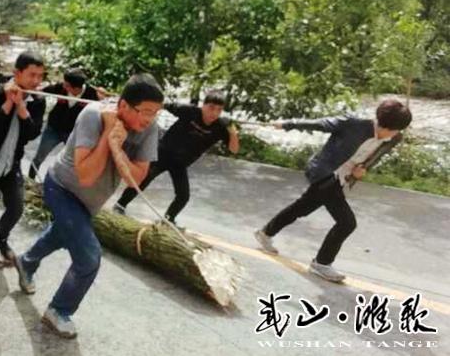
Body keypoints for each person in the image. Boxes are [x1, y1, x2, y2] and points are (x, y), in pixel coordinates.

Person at [14, 74, 163, 339]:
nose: (150, 119)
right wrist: (108, 134)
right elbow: (86, 176)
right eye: (146, 111)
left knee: (61, 234)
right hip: (62, 189)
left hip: (90, 202)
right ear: (124, 105)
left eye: (156, 113)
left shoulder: (149, 129)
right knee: (89, 257)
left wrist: (118, 146)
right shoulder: (93, 115)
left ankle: (26, 262)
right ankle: (58, 310)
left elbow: (135, 181)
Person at [254, 99, 412, 283]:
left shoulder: (394, 138)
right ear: (385, 125)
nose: (395, 134)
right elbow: (321, 124)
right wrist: (288, 124)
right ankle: (322, 263)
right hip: (325, 172)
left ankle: (265, 233)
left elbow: (376, 156)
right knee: (347, 223)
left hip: (343, 177)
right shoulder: (353, 124)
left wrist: (363, 169)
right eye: (394, 130)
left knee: (302, 207)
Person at [114, 90, 240, 227]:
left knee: (183, 196)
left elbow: (234, 149)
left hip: (181, 163)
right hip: (163, 154)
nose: (214, 113)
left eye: (219, 110)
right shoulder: (189, 111)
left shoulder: (220, 127)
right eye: (211, 108)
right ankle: (120, 205)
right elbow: (162, 105)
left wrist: (232, 132)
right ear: (203, 105)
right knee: (143, 179)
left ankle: (168, 220)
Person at [0, 51, 46, 269]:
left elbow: (32, 133)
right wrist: (7, 104)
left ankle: (0, 239)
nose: (36, 81)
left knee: (16, 207)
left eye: (40, 76)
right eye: (32, 75)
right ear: (17, 73)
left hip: (11, 163)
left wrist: (21, 106)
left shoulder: (37, 101)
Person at [27, 68, 103, 180]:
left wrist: (103, 99)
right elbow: (40, 93)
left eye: (67, 85)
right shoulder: (60, 88)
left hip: (73, 133)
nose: (64, 86)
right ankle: (30, 180)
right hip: (53, 129)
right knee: (40, 156)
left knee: (74, 160)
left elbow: (103, 108)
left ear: (76, 88)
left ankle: (68, 183)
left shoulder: (91, 94)